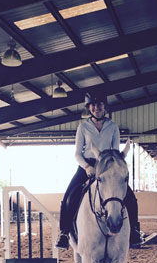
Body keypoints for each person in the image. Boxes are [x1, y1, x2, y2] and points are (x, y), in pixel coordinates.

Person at [56, 93, 142, 249]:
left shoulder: (113, 127)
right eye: (93, 105)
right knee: (69, 196)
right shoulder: (83, 127)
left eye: (100, 105)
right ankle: (64, 232)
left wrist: (111, 165)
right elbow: (77, 153)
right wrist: (88, 167)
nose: (97, 108)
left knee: (130, 197)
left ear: (105, 107)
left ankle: (135, 231)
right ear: (89, 108)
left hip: (108, 165)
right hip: (87, 165)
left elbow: (115, 150)